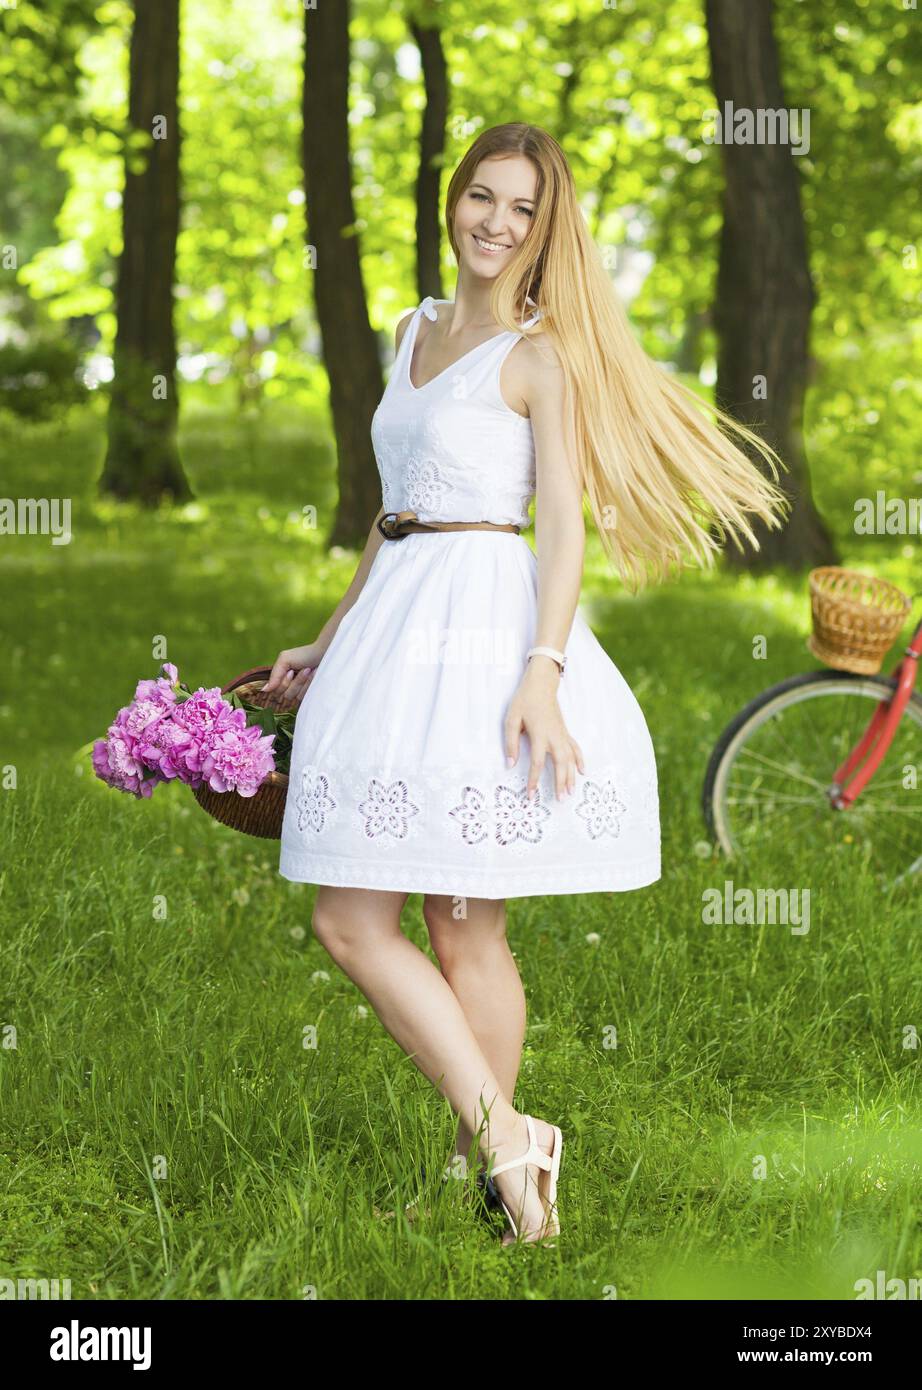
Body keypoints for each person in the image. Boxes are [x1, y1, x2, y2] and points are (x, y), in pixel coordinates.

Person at [262, 123, 790, 1245]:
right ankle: (509, 1139)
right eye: (482, 199)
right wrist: (326, 635)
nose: (497, 225)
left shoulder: (539, 355)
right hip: (392, 624)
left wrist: (541, 674)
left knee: (463, 930)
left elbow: (559, 537)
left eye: (522, 211)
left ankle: (487, 1169)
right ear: (452, 201)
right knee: (352, 915)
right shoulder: (411, 329)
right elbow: (390, 508)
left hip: (483, 628)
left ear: (546, 231)